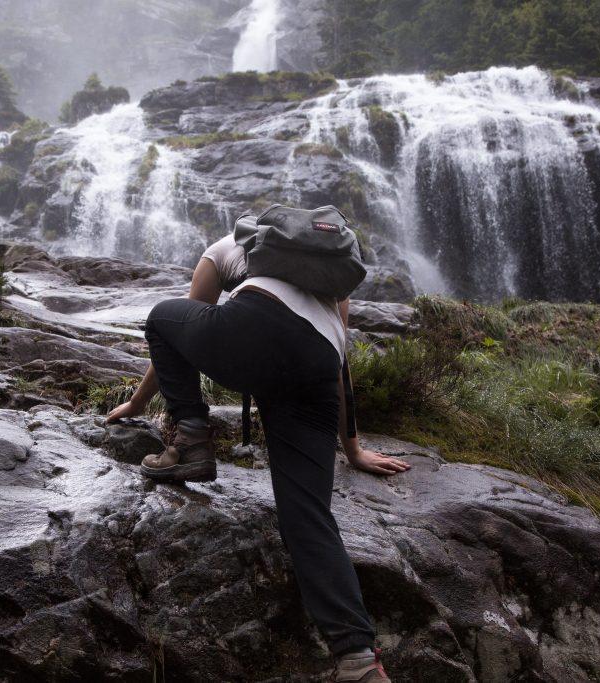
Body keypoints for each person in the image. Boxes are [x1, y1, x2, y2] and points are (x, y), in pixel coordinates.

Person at [107, 230, 410, 682]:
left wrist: (137, 402)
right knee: (308, 516)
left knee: (161, 315)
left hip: (252, 328)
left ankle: (190, 441)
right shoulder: (331, 275)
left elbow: (181, 333)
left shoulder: (226, 246)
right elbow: (340, 361)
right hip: (316, 364)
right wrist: (353, 449)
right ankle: (359, 660)